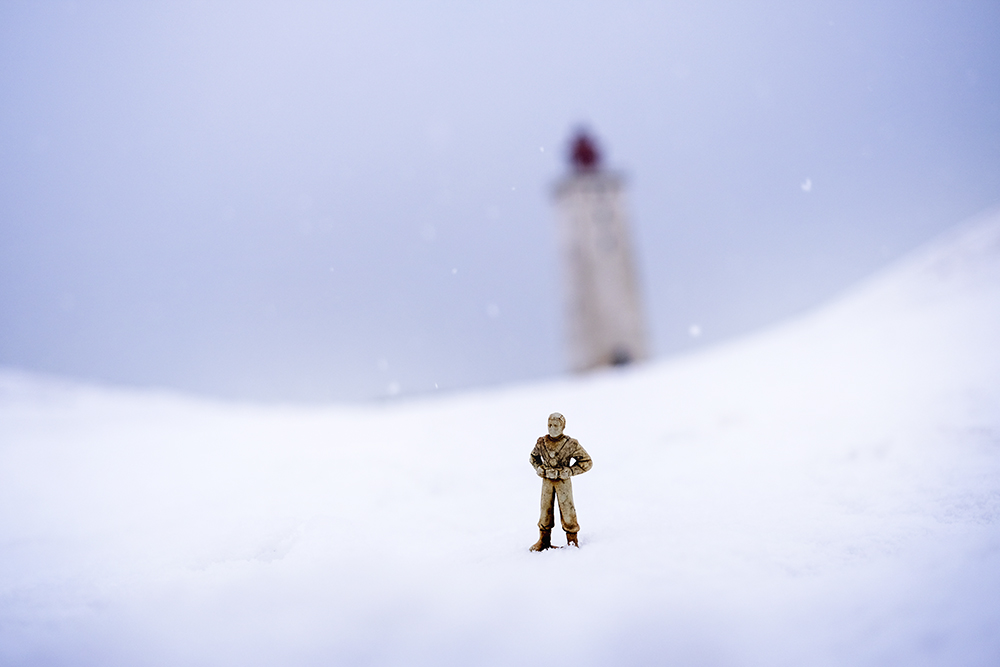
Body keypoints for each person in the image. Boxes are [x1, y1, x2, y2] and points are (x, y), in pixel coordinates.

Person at [529, 412, 592, 550]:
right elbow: (533, 457)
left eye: (556, 425)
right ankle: (544, 540)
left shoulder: (571, 444)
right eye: (549, 425)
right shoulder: (541, 442)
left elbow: (587, 462)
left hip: (563, 482)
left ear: (563, 427)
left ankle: (572, 541)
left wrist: (569, 471)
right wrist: (538, 468)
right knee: (545, 511)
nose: (552, 428)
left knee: (567, 510)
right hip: (547, 481)